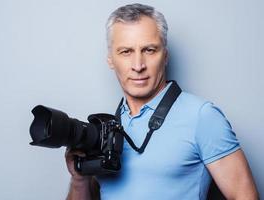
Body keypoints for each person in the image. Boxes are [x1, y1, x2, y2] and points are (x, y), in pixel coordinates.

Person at [65, 3, 259, 200]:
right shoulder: (105, 129)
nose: (138, 65)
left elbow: (245, 196)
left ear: (165, 55)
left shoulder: (202, 116)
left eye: (149, 50)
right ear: (110, 59)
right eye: (126, 52)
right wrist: (79, 180)